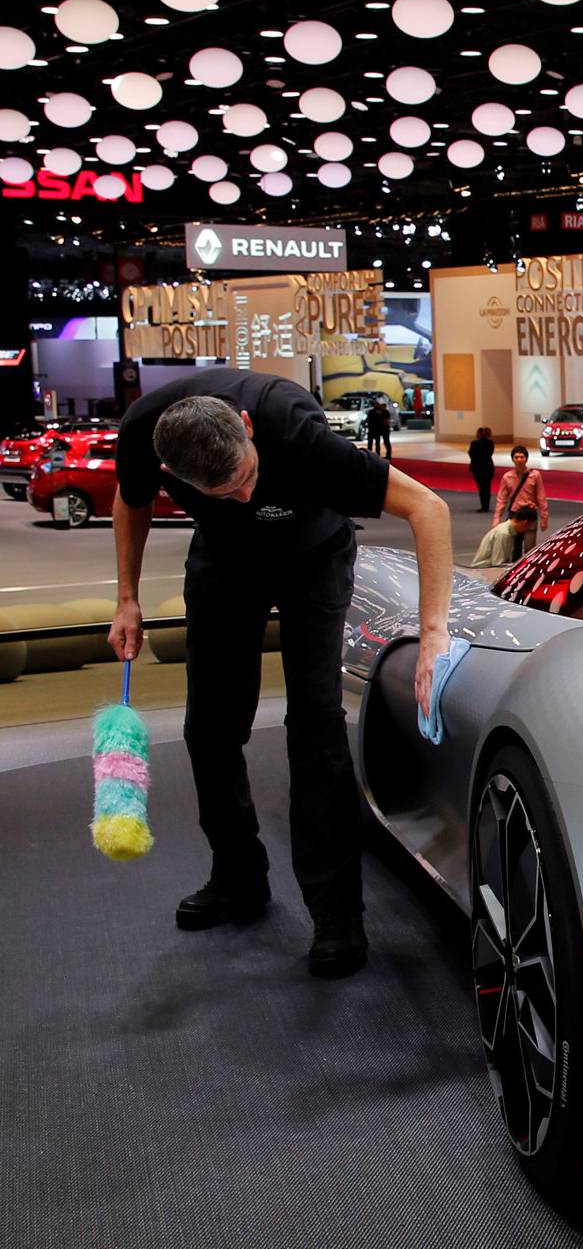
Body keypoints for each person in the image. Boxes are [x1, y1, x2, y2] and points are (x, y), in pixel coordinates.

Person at [107, 367, 452, 978]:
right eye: (220, 491)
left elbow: (427, 508)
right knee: (209, 728)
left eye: (243, 476)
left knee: (314, 727)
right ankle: (238, 878)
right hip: (225, 562)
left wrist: (432, 633)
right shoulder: (144, 433)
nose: (242, 497)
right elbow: (129, 501)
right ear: (175, 475)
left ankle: (336, 916)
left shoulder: (294, 429)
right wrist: (127, 598)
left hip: (314, 555)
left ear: (245, 428)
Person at [491, 445, 548, 559]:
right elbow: (501, 500)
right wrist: (497, 518)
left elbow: (541, 497)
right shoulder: (507, 477)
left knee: (529, 549)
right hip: (515, 516)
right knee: (514, 549)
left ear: (526, 458)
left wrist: (544, 518)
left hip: (529, 515)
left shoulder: (535, 475)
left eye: (522, 457)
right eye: (516, 457)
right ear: (512, 459)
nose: (519, 460)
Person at [472, 506, 538, 566]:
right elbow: (497, 564)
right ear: (525, 522)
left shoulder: (508, 531)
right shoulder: (504, 534)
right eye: (528, 527)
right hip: (483, 570)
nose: (527, 530)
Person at [466, 426, 495, 512]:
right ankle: (486, 505)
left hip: (477, 467)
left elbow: (471, 454)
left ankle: (483, 505)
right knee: (487, 487)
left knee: (481, 487)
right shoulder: (490, 443)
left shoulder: (474, 443)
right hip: (488, 467)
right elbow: (490, 453)